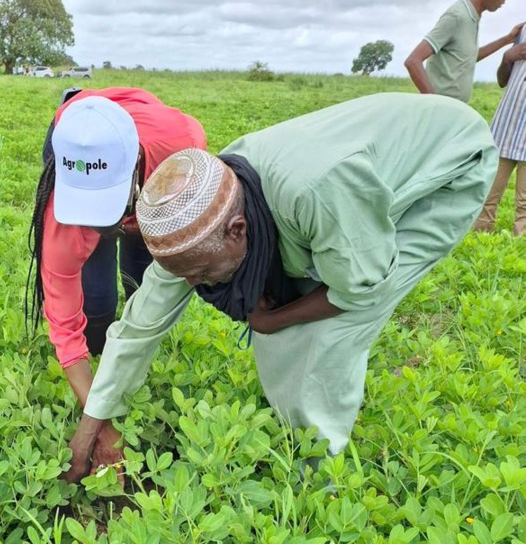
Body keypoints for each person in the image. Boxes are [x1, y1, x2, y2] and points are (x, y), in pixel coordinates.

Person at [64, 93, 498, 481]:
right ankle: (297, 435)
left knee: (328, 332)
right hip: (360, 175)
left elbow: (362, 290)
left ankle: (319, 480)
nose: (195, 286)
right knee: (285, 307)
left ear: (237, 230)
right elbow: (141, 325)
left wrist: (274, 320)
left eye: (200, 274)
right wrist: (93, 420)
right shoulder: (192, 222)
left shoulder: (315, 194)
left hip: (450, 166)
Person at [26, 88, 206, 425]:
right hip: (73, 122)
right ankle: (101, 360)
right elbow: (64, 323)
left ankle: (131, 364)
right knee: (96, 297)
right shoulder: (61, 207)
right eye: (86, 209)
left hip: (153, 151)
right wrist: (100, 418)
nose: (95, 225)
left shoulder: (183, 155)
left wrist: (140, 225)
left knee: (141, 277)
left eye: (106, 205)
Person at [404, 0, 520, 103]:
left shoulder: (472, 17)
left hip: (454, 113)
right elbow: (413, 61)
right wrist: (436, 105)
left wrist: (507, 39)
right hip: (440, 114)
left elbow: (468, 57)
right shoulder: (457, 16)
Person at [472, 22, 526, 234]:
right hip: (506, 127)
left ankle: (519, 246)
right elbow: (502, 80)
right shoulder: (522, 31)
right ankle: (479, 238)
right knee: (488, 194)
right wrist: (507, 57)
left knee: (524, 203)